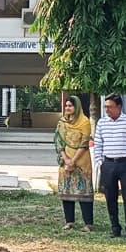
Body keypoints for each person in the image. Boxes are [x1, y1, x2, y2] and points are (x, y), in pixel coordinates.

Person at [92, 93, 126, 238]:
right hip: (108, 163)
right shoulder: (102, 123)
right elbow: (98, 144)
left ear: (119, 107)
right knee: (110, 197)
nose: (107, 110)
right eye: (105, 107)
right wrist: (100, 163)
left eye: (110, 107)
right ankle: (115, 227)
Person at [54, 96, 94, 232]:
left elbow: (84, 143)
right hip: (65, 161)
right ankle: (69, 221)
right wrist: (66, 159)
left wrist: (73, 161)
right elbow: (58, 141)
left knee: (84, 193)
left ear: (76, 107)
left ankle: (88, 223)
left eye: (70, 106)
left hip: (81, 161)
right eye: (66, 106)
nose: (67, 108)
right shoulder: (62, 122)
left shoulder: (84, 121)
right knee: (66, 191)